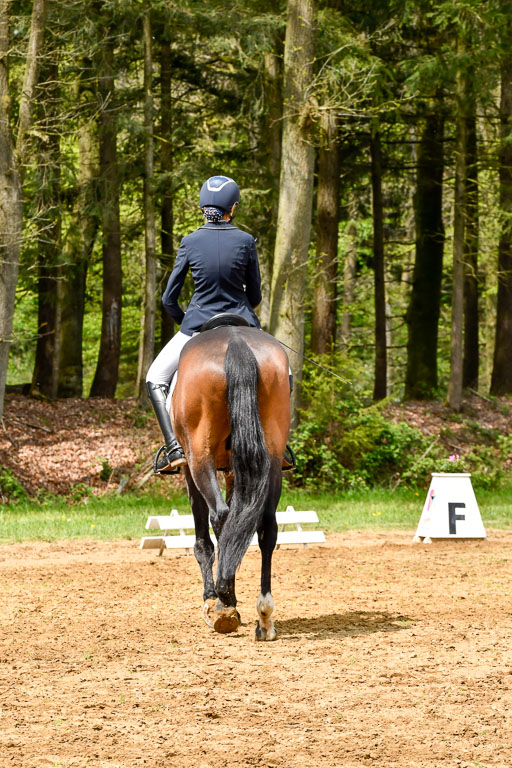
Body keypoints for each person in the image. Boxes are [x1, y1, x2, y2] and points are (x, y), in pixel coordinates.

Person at [146, 175, 262, 473]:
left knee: (155, 377)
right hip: (243, 323)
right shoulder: (246, 241)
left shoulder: (190, 241)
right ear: (232, 208)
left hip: (198, 324)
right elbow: (256, 294)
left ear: (203, 206)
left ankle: (173, 448)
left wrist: (187, 325)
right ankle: (277, 445)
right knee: (282, 371)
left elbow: (169, 298)